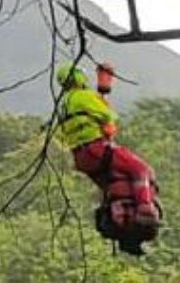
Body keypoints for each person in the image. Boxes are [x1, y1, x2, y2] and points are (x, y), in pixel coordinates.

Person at [54, 62, 159, 253]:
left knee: (117, 182)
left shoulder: (64, 103)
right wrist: (106, 120)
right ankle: (144, 206)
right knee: (141, 169)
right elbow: (108, 114)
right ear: (78, 77)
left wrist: (103, 89)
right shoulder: (83, 96)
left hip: (81, 156)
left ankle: (126, 228)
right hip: (96, 148)